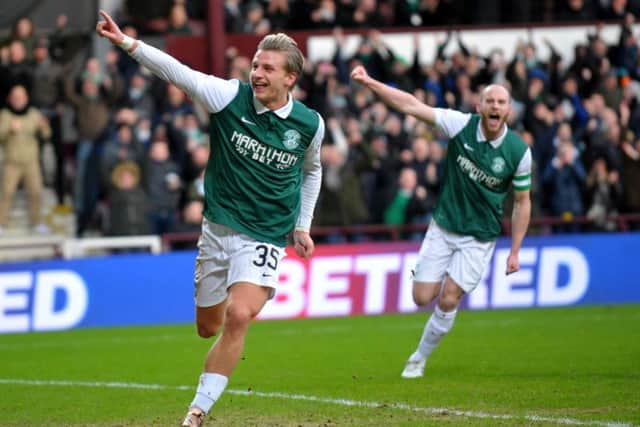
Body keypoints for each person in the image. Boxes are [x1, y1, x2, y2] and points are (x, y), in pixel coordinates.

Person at [97, 10, 324, 426]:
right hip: (217, 230)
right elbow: (176, 71)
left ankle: (197, 411)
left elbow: (312, 170)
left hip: (266, 235)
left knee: (240, 315)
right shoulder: (228, 97)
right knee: (208, 327)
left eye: (268, 68)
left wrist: (302, 224)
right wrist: (127, 43)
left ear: (290, 78)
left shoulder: (309, 125)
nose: (257, 73)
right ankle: (212, 353)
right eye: (256, 64)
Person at [350, 65, 532, 379]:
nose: (495, 106)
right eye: (490, 101)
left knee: (449, 297)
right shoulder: (460, 125)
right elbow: (410, 105)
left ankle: (418, 358)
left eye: (502, 102)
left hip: (479, 237)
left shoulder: (518, 152)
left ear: (509, 111)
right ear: (479, 106)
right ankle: (430, 277)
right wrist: (370, 82)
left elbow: (522, 202)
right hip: (444, 227)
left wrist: (515, 251)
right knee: (421, 297)